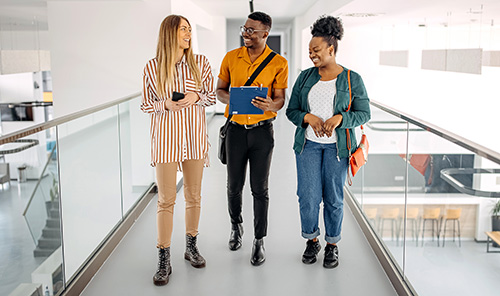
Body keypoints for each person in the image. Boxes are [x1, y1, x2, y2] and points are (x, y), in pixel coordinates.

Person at [285, 15, 370, 268]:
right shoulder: (305, 78)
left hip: (338, 148)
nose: (312, 55)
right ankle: (311, 240)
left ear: (331, 49)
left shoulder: (352, 79)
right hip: (307, 146)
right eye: (310, 51)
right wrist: (308, 117)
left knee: (333, 198)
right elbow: (292, 111)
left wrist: (339, 119)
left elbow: (364, 113)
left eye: (316, 50)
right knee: (308, 197)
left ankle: (332, 244)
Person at [141, 14, 216, 285]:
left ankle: (191, 246)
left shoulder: (201, 64)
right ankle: (163, 258)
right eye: (183, 29)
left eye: (189, 29)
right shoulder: (153, 67)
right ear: (170, 33)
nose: (188, 34)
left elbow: (212, 96)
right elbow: (145, 104)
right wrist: (166, 105)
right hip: (166, 142)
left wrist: (196, 96)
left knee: (194, 196)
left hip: (194, 139)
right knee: (166, 200)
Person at [216, 11, 288, 266]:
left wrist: (272, 103)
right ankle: (236, 227)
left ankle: (259, 240)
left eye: (251, 30)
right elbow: (219, 91)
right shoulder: (230, 58)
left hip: (262, 132)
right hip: (235, 131)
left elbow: (280, 99)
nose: (245, 34)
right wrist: (233, 97)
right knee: (234, 186)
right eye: (244, 29)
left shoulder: (279, 62)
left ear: (265, 34)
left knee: (260, 188)